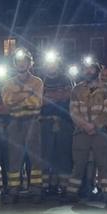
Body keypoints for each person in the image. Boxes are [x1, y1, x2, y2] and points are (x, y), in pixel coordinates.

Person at [0, 48, 44, 203]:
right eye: (18, 61)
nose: (21, 64)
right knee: (14, 158)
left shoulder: (37, 81)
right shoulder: (8, 83)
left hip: (32, 122)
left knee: (35, 157)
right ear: (15, 64)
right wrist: (26, 95)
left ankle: (36, 190)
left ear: (30, 63)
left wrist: (17, 96)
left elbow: (36, 102)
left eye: (24, 61)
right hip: (15, 122)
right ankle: (13, 191)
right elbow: (7, 102)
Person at [66, 59, 107, 203]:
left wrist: (94, 125)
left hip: (100, 133)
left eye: (91, 69)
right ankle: (72, 193)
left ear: (96, 70)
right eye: (86, 69)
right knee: (79, 164)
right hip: (81, 133)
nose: (88, 71)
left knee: (104, 164)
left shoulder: (106, 89)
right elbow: (73, 112)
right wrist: (85, 126)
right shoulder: (77, 90)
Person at [40, 55, 75, 198]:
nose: (51, 66)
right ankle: (48, 186)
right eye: (49, 64)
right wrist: (56, 96)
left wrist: (49, 97)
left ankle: (64, 187)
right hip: (45, 122)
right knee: (47, 155)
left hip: (64, 122)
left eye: (53, 63)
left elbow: (68, 95)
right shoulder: (41, 80)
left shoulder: (66, 79)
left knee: (64, 156)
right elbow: (38, 100)